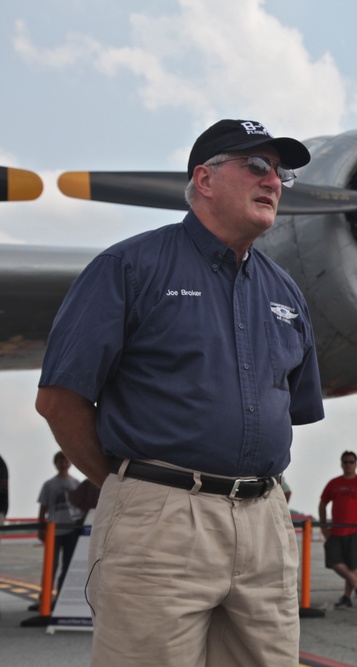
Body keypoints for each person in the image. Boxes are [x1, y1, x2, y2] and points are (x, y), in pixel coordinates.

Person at [35, 118, 324, 666]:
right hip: (159, 520)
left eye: (280, 172)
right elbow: (59, 400)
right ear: (205, 180)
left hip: (264, 520)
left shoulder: (286, 292)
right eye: (257, 166)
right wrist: (133, 487)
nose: (274, 182)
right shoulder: (127, 267)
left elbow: (293, 407)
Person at [319, 450, 357, 609]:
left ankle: (347, 596)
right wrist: (324, 525)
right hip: (336, 531)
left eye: (351, 462)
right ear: (341, 464)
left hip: (355, 531)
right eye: (345, 462)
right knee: (334, 561)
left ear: (356, 464)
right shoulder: (334, 483)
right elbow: (323, 503)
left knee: (352, 565)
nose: (348, 465)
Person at [36, 452, 81, 596]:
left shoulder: (76, 483)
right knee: (51, 565)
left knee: (68, 566)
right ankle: (45, 598)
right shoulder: (49, 485)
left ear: (70, 463)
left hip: (71, 529)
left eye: (65, 461)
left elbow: (82, 506)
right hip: (53, 529)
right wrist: (40, 527)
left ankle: (61, 597)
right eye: (60, 461)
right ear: (55, 464)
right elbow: (43, 507)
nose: (63, 464)